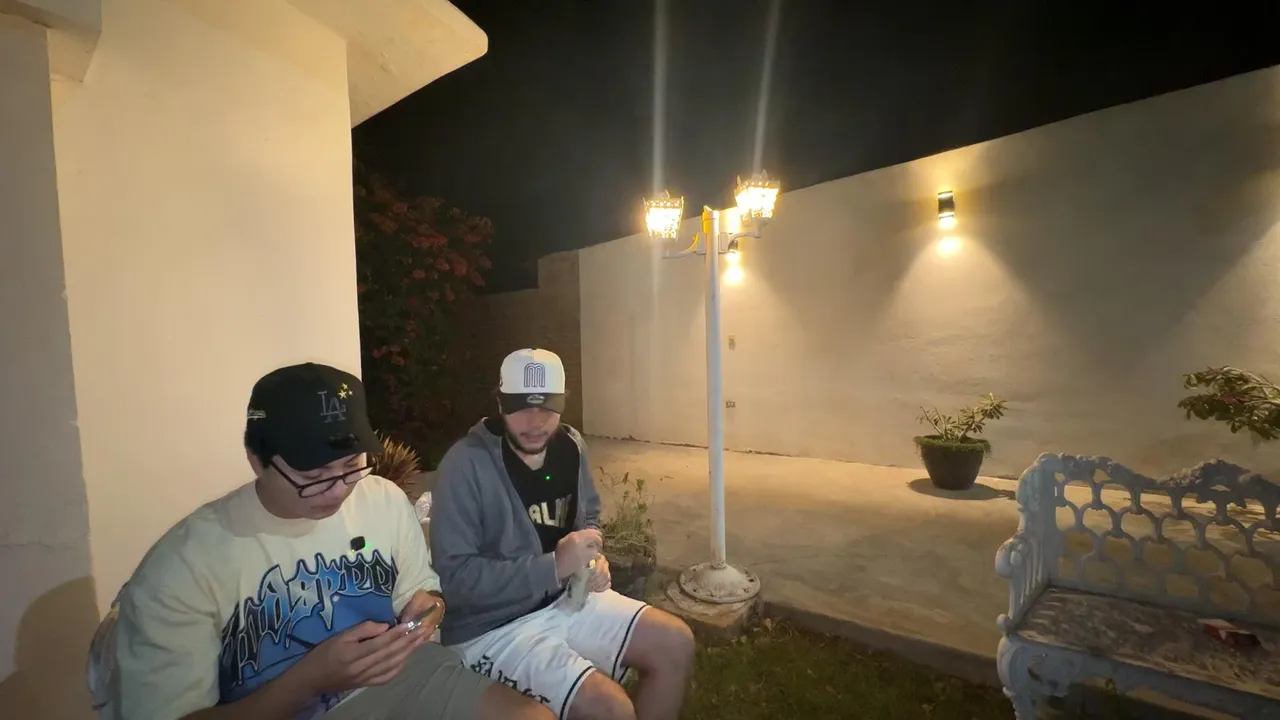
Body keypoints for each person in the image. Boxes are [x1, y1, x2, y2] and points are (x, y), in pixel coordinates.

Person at [110, 362, 552, 720]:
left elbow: (424, 593)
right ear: (256, 460)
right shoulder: (185, 565)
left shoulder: (382, 500)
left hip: (404, 679)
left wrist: (426, 613)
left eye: (350, 465)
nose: (339, 489)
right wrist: (310, 680)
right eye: (314, 474)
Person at [430, 349, 696, 720]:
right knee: (610, 708)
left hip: (568, 597)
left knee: (675, 642)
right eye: (521, 407)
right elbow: (455, 581)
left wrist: (593, 554)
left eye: (548, 407)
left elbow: (589, 516)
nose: (536, 422)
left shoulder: (570, 446)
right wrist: (553, 567)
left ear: (563, 403)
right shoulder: (465, 464)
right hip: (492, 626)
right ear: (500, 403)